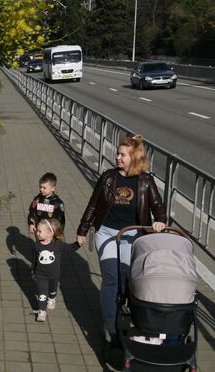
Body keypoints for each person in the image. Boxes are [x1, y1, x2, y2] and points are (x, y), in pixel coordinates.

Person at [75, 134, 167, 337]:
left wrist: (160, 219)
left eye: (123, 154)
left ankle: (129, 314)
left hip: (132, 236)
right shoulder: (109, 177)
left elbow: (158, 206)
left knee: (128, 277)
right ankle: (109, 321)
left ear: (134, 157)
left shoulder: (145, 181)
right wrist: (82, 230)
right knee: (111, 278)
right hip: (107, 233)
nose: (117, 157)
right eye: (118, 153)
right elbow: (93, 204)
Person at [32, 218, 79, 322]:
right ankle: (41, 311)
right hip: (41, 276)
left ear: (50, 234)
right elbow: (35, 259)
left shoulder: (58, 245)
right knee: (42, 294)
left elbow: (70, 248)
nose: (37, 233)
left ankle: (52, 299)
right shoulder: (37, 245)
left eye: (40, 231)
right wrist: (33, 270)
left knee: (52, 291)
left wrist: (78, 244)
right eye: (37, 231)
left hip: (54, 275)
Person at [27, 172, 65, 236]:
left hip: (51, 233)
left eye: (44, 188)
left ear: (52, 188)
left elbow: (61, 219)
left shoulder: (58, 203)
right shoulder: (37, 199)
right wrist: (31, 224)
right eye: (40, 187)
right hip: (39, 231)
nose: (41, 189)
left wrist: (58, 232)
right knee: (39, 245)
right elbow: (31, 211)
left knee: (51, 246)